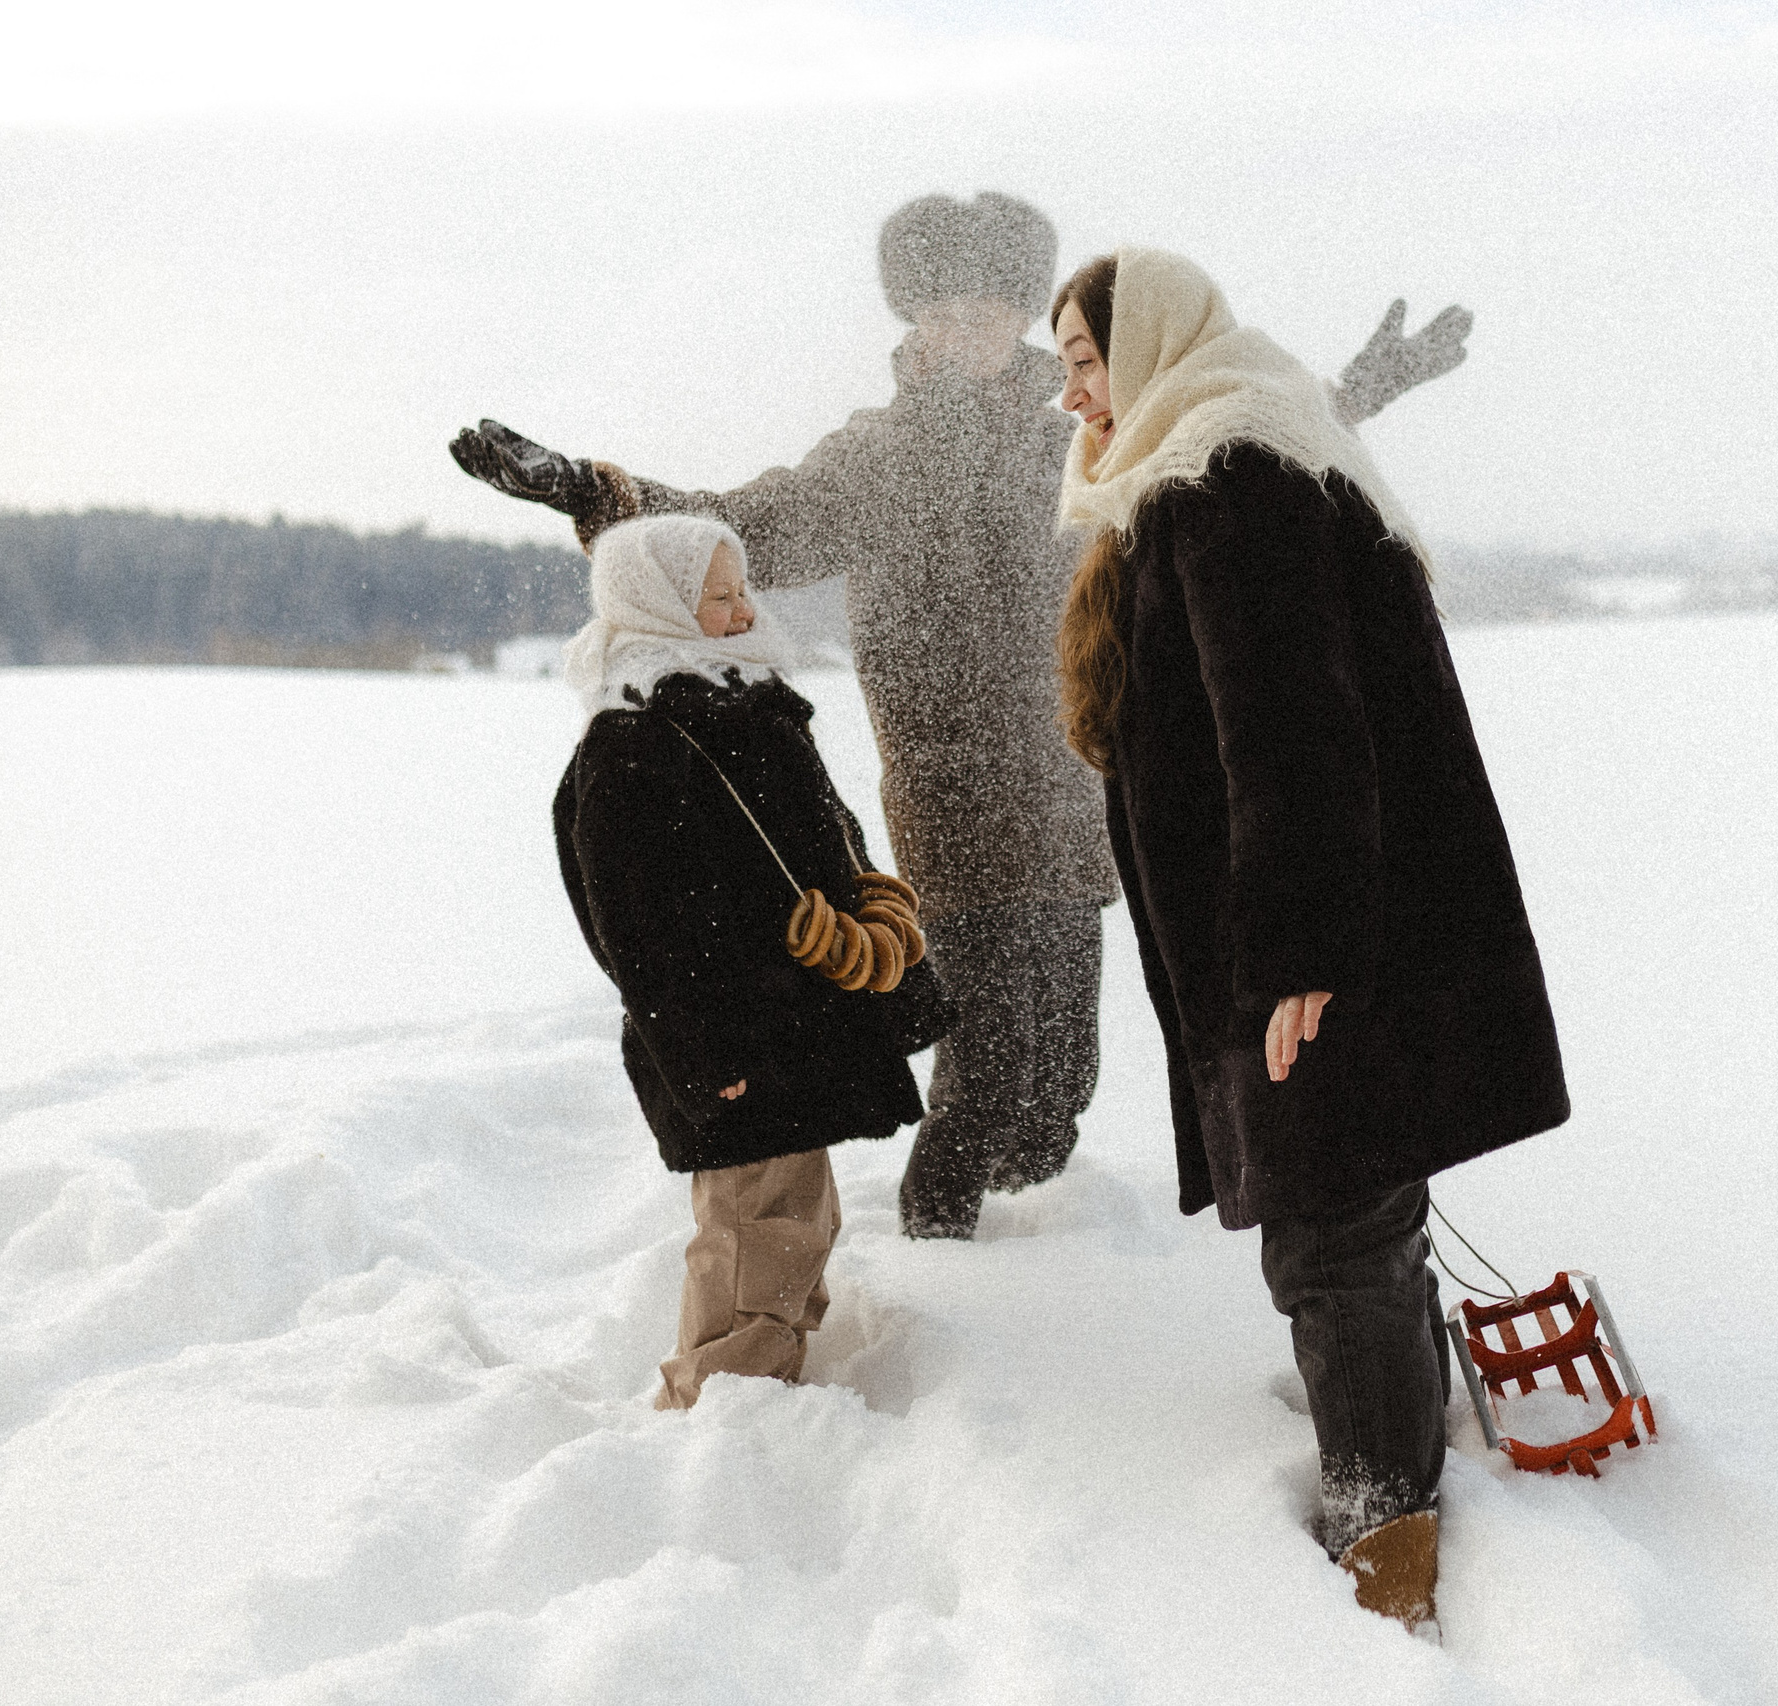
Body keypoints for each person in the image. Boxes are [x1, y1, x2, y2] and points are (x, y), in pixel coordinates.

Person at [453, 192, 1475, 1240]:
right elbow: (748, 521)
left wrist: (1353, 394)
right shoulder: (878, 458)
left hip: (1073, 799)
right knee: (985, 1074)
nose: (966, 332)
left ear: (1018, 316)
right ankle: (946, 1264)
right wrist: (595, 489)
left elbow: (1211, 447)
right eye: (942, 312)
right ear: (913, 323)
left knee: (1062, 1081)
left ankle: (1046, 1250)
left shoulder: (1076, 442)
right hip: (956, 804)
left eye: (988, 310)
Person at [1049, 250, 1568, 1632]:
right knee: (1355, 1206)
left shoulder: (1230, 476)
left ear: (1149, 348)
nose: (1072, 396)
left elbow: (1292, 724)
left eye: (1088, 361)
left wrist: (1298, 951)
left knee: (1331, 1229)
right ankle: (1398, 1418)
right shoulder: (1235, 443)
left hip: (1312, 936)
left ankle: (1384, 1534)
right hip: (1315, 921)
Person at [553, 513, 951, 1406]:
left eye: (742, 593)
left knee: (796, 1219)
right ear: (655, 603)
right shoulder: (637, 737)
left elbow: (820, 836)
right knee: (751, 1231)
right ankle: (718, 1412)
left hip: (792, 1014)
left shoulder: (740, 699)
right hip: (734, 1032)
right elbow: (634, 930)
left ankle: (771, 1386)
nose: (741, 612)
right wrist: (705, 1056)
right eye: (718, 597)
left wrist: (871, 910)